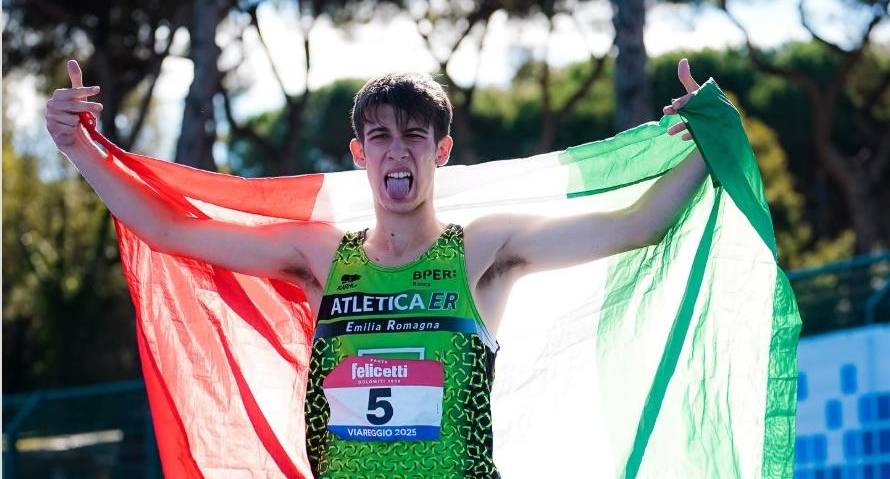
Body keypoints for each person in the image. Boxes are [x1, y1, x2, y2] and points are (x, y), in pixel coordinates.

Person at [46, 58, 707, 476]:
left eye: (415, 135)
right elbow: (170, 229)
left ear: (440, 150)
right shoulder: (321, 255)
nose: (399, 152)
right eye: (383, 137)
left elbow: (638, 227)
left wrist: (709, 140)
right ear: (359, 153)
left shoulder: (481, 247)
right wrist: (78, 147)